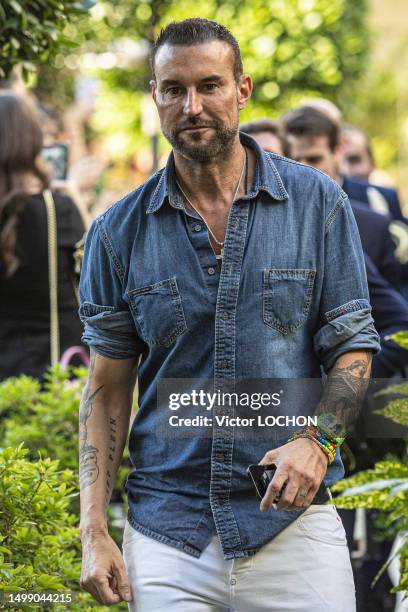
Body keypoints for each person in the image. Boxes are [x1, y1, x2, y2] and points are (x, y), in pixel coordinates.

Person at [78, 18, 380, 611]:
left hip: (292, 525)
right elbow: (106, 389)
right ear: (156, 96)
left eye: (210, 85)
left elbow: (354, 345)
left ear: (241, 90)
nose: (192, 105)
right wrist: (93, 533)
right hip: (170, 533)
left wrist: (316, 443)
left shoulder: (318, 203)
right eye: (173, 89)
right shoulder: (117, 233)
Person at [0, 92, 86, 381]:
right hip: (50, 380)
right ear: (34, 143)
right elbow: (96, 282)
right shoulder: (56, 210)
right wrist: (76, 203)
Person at [282, 106, 403, 289]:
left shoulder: (375, 213)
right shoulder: (274, 213)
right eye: (295, 160)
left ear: (337, 151)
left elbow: (397, 292)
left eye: (314, 159)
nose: (302, 169)